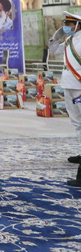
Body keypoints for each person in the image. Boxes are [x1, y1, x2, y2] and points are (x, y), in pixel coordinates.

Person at [58, 12, 81, 187]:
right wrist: (54, 37)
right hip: (68, 85)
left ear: (78, 25)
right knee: (76, 123)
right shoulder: (68, 40)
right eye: (66, 23)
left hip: (79, 86)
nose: (67, 26)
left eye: (69, 24)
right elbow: (53, 51)